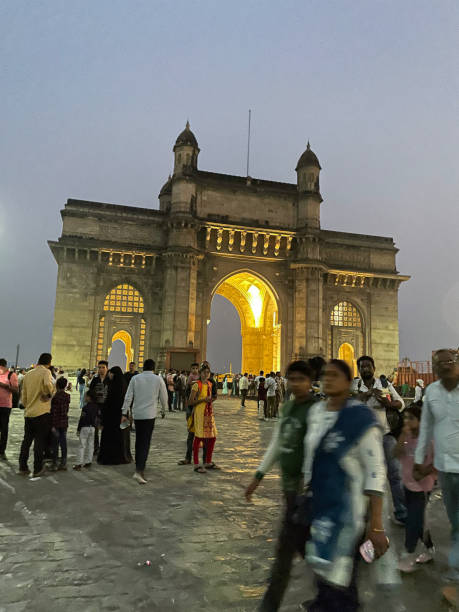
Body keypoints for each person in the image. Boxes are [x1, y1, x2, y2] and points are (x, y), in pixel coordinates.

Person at [302, 359, 388, 611]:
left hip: (349, 513)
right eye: (324, 375)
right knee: (324, 573)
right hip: (319, 509)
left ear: (349, 382)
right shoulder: (316, 413)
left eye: (335, 375)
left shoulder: (360, 417)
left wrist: (377, 524)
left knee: (344, 579)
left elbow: (376, 472)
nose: (327, 379)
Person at [246, 360, 316, 611]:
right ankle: (330, 590)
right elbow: (277, 442)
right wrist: (258, 475)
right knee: (305, 546)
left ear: (310, 381)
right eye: (292, 378)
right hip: (290, 489)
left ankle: (271, 603)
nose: (295, 383)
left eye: (301, 379)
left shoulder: (318, 411)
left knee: (289, 548)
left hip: (305, 491)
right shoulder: (287, 409)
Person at [414, 349, 459, 606]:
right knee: (456, 522)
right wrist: (420, 460)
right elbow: (426, 430)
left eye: (449, 362)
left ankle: (455, 572)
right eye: (438, 364)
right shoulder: (431, 392)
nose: (444, 367)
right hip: (445, 468)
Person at [352, 355, 407, 525]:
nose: (365, 369)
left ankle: (402, 513)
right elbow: (349, 404)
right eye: (362, 367)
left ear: (374, 368)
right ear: (359, 369)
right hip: (362, 439)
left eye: (368, 366)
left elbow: (401, 403)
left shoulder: (384, 385)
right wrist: (367, 395)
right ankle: (364, 516)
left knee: (395, 475)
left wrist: (387, 403)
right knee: (363, 477)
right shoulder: (355, 386)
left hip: (385, 436)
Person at [394, 401, 436, 572]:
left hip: (422, 489)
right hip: (407, 486)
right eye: (405, 418)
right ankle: (429, 548)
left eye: (410, 418)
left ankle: (407, 556)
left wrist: (425, 472)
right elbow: (395, 454)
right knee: (418, 522)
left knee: (412, 522)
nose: (406, 421)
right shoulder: (407, 437)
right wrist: (403, 436)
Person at [122, 358, 168, 484]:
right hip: (150, 415)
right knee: (145, 442)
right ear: (153, 368)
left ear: (143, 367)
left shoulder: (135, 379)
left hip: (137, 414)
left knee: (139, 440)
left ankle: (139, 465)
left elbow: (128, 397)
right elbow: (164, 397)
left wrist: (124, 412)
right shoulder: (158, 379)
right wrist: (164, 410)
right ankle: (139, 469)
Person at [18, 353, 56, 477]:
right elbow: (48, 385)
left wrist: (27, 404)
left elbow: (23, 397)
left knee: (27, 441)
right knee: (40, 442)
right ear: (49, 362)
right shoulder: (46, 372)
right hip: (41, 413)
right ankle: (37, 468)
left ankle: (23, 467)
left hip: (29, 413)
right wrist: (49, 394)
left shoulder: (28, 374)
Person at [188, 363, 219, 474]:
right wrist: (203, 400)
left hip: (209, 412)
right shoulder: (197, 385)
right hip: (200, 412)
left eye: (208, 372)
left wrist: (210, 400)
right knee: (199, 437)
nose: (206, 374)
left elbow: (212, 397)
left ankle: (208, 461)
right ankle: (196, 464)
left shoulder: (210, 384)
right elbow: (190, 401)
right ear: (200, 373)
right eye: (204, 372)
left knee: (212, 437)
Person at [97, 366, 128, 465]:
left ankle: (109, 458)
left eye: (111, 373)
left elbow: (108, 402)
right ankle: (119, 457)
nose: (109, 375)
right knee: (118, 437)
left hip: (110, 417)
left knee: (109, 437)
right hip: (119, 415)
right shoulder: (123, 385)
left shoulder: (112, 386)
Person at [178, 362, 200, 466]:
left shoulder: (207, 383)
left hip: (201, 411)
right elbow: (188, 391)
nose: (195, 370)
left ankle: (205, 460)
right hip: (192, 408)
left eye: (197, 368)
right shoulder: (191, 378)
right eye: (193, 368)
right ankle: (189, 458)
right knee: (191, 434)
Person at [74, 389, 99, 470]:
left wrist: (78, 429)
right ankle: (88, 461)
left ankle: (78, 463)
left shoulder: (85, 407)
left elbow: (82, 419)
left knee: (82, 445)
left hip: (85, 427)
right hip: (93, 428)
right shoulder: (96, 407)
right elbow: (98, 417)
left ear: (89, 397)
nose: (84, 397)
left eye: (85, 396)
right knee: (90, 445)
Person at [50, 377, 70, 471]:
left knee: (55, 444)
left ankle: (54, 463)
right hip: (64, 422)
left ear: (57, 385)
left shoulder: (55, 397)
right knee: (63, 443)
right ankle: (63, 463)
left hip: (56, 423)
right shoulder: (67, 396)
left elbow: (53, 412)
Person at [89, 360, 109, 456]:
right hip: (96, 407)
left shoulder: (110, 380)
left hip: (106, 408)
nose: (101, 369)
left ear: (107, 368)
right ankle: (95, 448)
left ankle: (104, 448)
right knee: (95, 429)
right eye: (99, 367)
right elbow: (90, 392)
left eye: (103, 367)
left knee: (106, 429)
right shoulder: (95, 380)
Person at [0, 358, 18, 460]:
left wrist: (4, 385)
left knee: (4, 428)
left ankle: (2, 451)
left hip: (5, 406)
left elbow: (15, 390)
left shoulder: (11, 375)